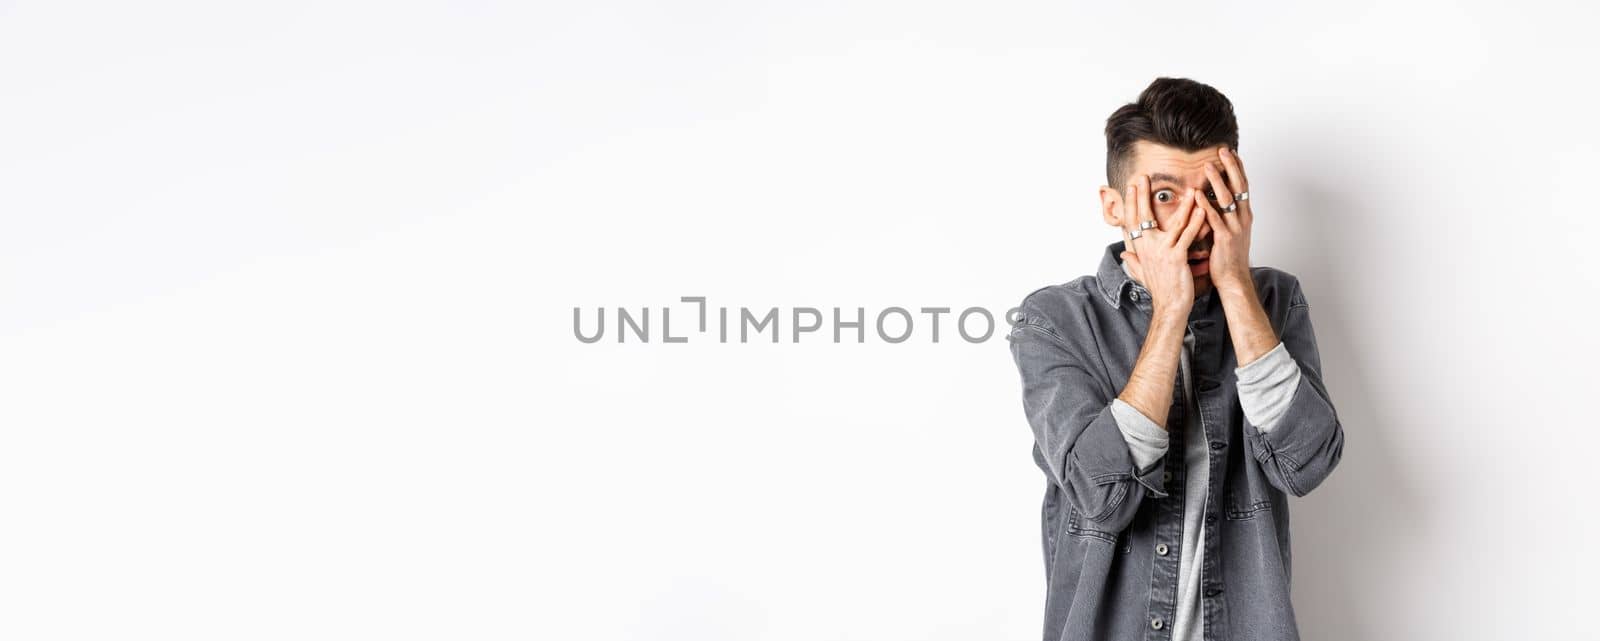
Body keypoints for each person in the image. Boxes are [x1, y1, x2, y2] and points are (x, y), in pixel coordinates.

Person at [1006, 77, 1345, 641]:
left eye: (1212, 195)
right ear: (1114, 207)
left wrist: (1235, 286)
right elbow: (1102, 496)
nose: (1195, 225)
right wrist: (1169, 314)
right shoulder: (1054, 320)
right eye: (1165, 197)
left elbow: (1305, 465)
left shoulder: (1275, 301)